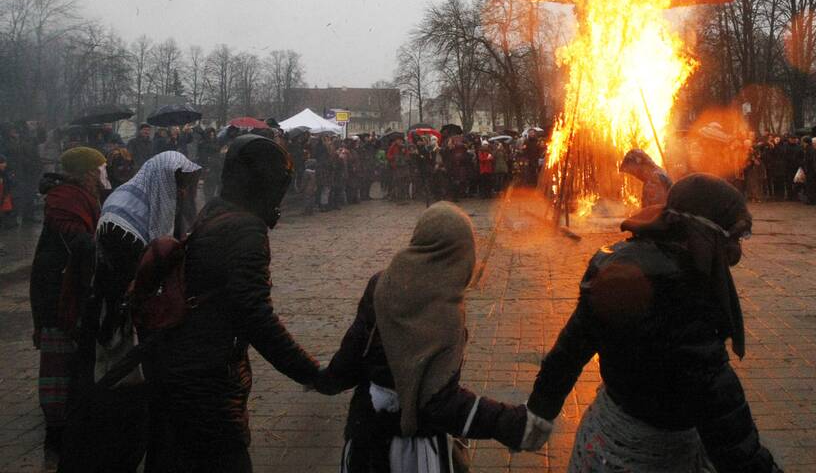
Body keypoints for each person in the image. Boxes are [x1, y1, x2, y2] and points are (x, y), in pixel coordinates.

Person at [528, 174, 778, 472]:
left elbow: (569, 350)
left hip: (601, 443)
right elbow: (728, 429)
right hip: (650, 456)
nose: (737, 250)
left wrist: (539, 411)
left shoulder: (616, 266)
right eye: (734, 237)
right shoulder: (686, 302)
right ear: (705, 233)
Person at [314, 202, 549, 471]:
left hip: (365, 436)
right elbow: (439, 402)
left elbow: (352, 356)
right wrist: (513, 423)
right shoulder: (445, 311)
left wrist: (323, 379)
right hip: (413, 453)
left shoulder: (382, 283)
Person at [153, 135, 321, 472]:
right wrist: (312, 373)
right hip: (208, 379)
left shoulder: (213, 212)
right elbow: (255, 315)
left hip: (180, 366)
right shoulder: (245, 229)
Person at [60, 151, 202, 473]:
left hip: (137, 320)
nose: (181, 192)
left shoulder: (152, 201)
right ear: (163, 179)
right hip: (114, 322)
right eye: (178, 185)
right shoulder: (122, 214)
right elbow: (124, 276)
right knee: (111, 406)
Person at [29, 147, 106, 454]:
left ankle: (74, 420)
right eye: (99, 170)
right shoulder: (64, 201)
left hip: (68, 290)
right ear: (87, 173)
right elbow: (81, 243)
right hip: (58, 294)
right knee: (57, 367)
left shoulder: (82, 197)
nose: (103, 175)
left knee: (73, 362)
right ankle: (56, 434)